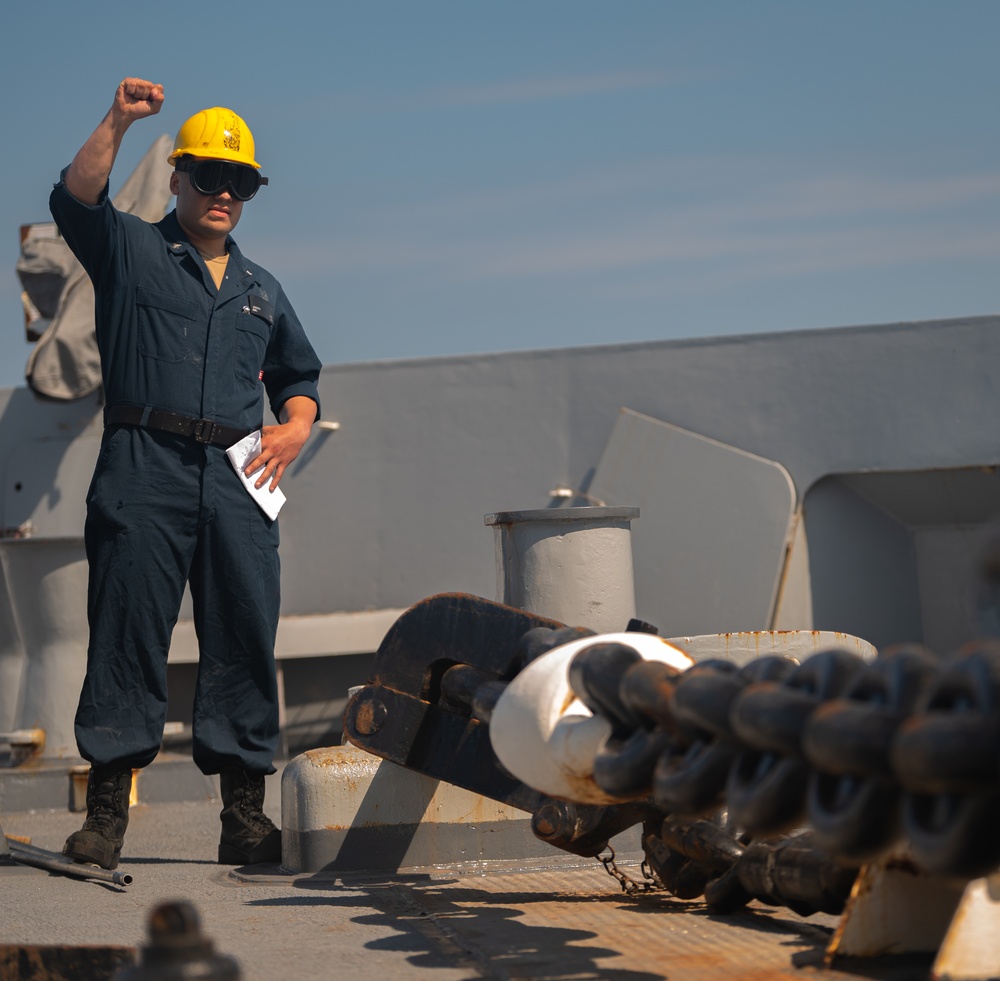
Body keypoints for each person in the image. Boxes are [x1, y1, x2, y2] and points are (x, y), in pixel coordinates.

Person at [49, 78, 322, 869]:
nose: (224, 193)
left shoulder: (261, 289)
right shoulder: (132, 250)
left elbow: (297, 373)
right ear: (178, 176)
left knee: (243, 630)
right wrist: (117, 120)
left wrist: (297, 426)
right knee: (127, 631)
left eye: (240, 182)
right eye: (209, 176)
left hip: (241, 476)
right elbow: (76, 199)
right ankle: (105, 816)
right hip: (145, 464)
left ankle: (244, 817)